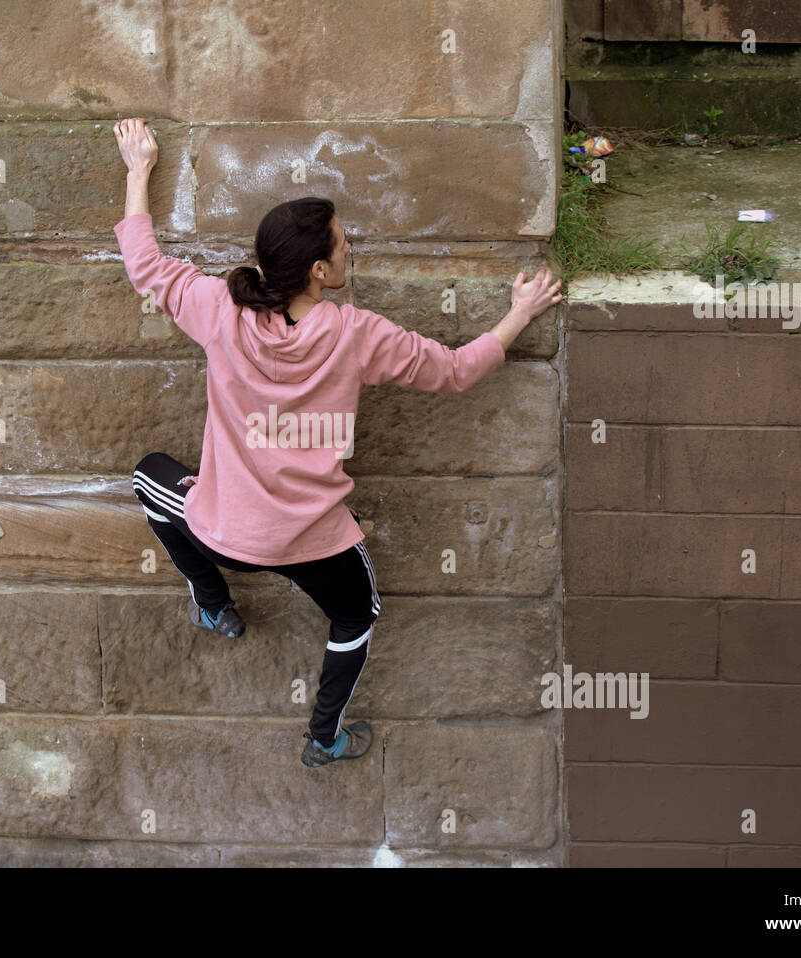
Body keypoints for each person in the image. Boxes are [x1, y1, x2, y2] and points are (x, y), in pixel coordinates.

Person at [112, 117, 562, 767]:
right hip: (309, 541)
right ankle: (324, 737)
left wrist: (137, 169)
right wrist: (520, 312)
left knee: (148, 478)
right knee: (358, 615)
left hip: (223, 529)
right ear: (319, 270)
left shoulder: (219, 308)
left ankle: (212, 604)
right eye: (345, 245)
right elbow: (458, 371)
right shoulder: (359, 336)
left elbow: (145, 269)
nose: (353, 249)